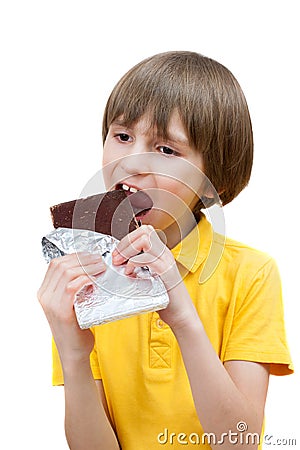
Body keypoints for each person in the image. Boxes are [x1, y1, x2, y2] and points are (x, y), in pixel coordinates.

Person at [38, 51, 293, 450]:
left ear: (213, 183)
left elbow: (238, 444)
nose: (131, 163)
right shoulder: (85, 279)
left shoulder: (250, 273)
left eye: (166, 149)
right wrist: (72, 351)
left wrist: (182, 315)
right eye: (122, 137)